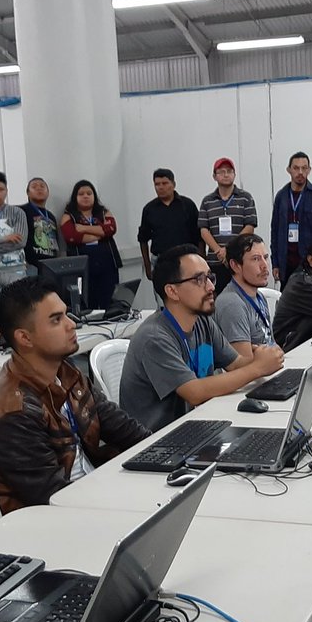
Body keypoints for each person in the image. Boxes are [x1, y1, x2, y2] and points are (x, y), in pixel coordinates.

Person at [0, 280, 151, 519]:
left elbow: (127, 431)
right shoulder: (12, 413)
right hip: (52, 525)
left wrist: (172, 456)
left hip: (91, 496)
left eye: (66, 315)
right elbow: (53, 499)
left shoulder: (65, 374)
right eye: (56, 319)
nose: (72, 324)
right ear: (25, 338)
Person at [119, 244, 283, 433]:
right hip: (157, 442)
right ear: (172, 291)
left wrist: (263, 357)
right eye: (199, 280)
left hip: (198, 426)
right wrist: (257, 368)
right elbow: (194, 393)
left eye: (210, 277)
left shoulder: (202, 322)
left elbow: (236, 364)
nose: (211, 286)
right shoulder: (154, 337)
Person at [270, 151, 312, 288]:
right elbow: (275, 232)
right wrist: (275, 263)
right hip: (286, 263)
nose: (300, 172)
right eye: (296, 168)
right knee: (288, 304)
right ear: (289, 170)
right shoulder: (281, 197)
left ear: (309, 170)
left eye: (304, 168)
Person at [197, 157, 258, 293]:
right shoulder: (207, 201)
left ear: (234, 175)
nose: (226, 174)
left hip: (239, 260)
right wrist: (219, 250)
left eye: (229, 171)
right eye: (221, 172)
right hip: (215, 261)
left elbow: (250, 226)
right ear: (214, 176)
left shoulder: (245, 198)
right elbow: (204, 230)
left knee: (242, 296)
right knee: (215, 299)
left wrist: (229, 249)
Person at [61, 180, 121, 310]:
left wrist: (83, 228)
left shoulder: (104, 212)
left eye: (89, 193)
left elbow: (111, 229)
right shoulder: (68, 215)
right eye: (81, 194)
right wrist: (100, 233)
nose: (86, 196)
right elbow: (72, 237)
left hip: (107, 264)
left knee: (110, 302)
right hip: (83, 267)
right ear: (75, 197)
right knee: (88, 303)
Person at [213, 233, 275, 357]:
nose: (265, 266)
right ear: (235, 265)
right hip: (257, 374)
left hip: (270, 368)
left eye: (265, 257)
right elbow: (245, 365)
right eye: (256, 259)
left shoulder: (259, 296)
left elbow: (271, 343)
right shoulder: (231, 304)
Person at [138, 168, 200, 281]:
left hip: (186, 259)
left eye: (165, 183)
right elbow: (143, 239)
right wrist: (147, 266)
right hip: (161, 260)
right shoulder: (149, 209)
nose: (161, 187)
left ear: (173, 184)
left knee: (188, 295)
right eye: (157, 184)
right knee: (163, 296)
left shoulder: (187, 205)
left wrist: (201, 259)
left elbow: (199, 234)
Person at [19, 177, 62, 265]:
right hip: (31, 265)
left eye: (42, 186)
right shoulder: (21, 211)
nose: (39, 188)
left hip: (51, 265)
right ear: (28, 193)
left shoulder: (51, 216)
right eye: (34, 187)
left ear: (48, 192)